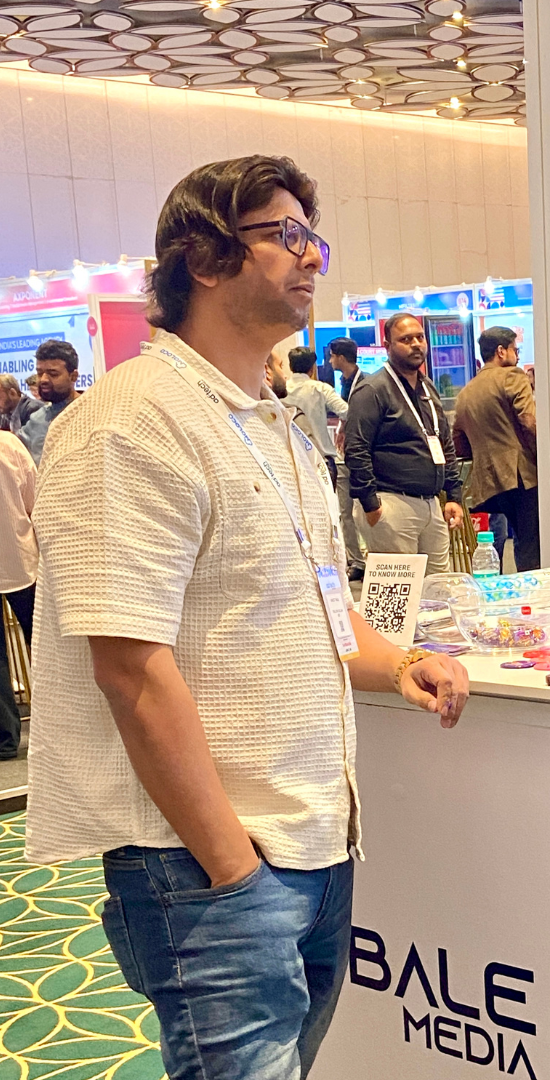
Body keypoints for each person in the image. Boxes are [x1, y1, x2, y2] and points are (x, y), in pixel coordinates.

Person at [25, 154, 470, 1080]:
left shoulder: (271, 423)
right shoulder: (132, 419)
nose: (311, 257)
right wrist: (232, 868)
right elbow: (129, 667)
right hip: (208, 863)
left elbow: (319, 604)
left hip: (312, 841)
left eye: (315, 238)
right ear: (202, 257)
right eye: (285, 235)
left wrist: (399, 664)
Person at [343, 313, 464, 575]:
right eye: (406, 339)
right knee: (402, 591)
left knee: (438, 587)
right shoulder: (372, 390)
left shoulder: (427, 387)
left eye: (420, 337)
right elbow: (356, 449)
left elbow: (444, 443)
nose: (416, 344)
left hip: (431, 504)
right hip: (391, 503)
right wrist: (371, 504)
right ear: (387, 346)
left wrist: (453, 495)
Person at [452, 326, 540, 571]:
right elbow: (528, 421)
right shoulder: (513, 376)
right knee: (531, 543)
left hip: (489, 481)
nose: (517, 356)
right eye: (515, 350)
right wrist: (544, 457)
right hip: (522, 474)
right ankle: (532, 588)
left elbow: (458, 442)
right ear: (501, 351)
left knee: (510, 538)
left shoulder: (466, 392)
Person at [0, 432, 37, 761]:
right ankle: (61, 723)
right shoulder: (9, 445)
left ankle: (5, 740)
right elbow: (34, 500)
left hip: (19, 563)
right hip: (21, 562)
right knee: (43, 646)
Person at [285, 345, 349, 488]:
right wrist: (342, 427)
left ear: (290, 366)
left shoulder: (281, 390)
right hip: (321, 460)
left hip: (291, 461)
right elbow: (346, 412)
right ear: (312, 368)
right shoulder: (321, 389)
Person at [329, 337, 365, 579]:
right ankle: (357, 560)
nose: (330, 361)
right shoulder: (344, 383)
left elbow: (355, 413)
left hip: (362, 455)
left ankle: (369, 558)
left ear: (341, 357)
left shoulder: (365, 383)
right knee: (346, 512)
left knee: (361, 511)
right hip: (346, 453)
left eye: (332, 356)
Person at [18, 339, 81, 464]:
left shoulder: (92, 412)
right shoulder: (37, 419)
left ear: (73, 376)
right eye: (39, 373)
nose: (43, 379)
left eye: (53, 374)